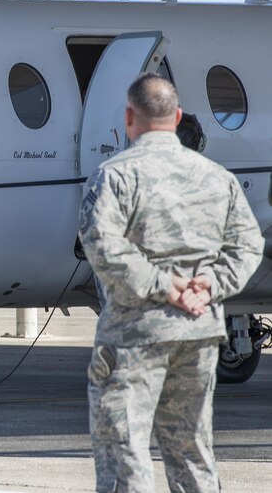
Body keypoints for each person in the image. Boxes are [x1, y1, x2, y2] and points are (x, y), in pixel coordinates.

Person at [78, 73, 263, 492]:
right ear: (177, 115)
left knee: (124, 451)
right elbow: (248, 245)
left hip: (135, 335)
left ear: (129, 118)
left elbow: (103, 248)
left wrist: (166, 287)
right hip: (198, 331)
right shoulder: (220, 179)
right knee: (192, 450)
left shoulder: (114, 177)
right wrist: (208, 286)